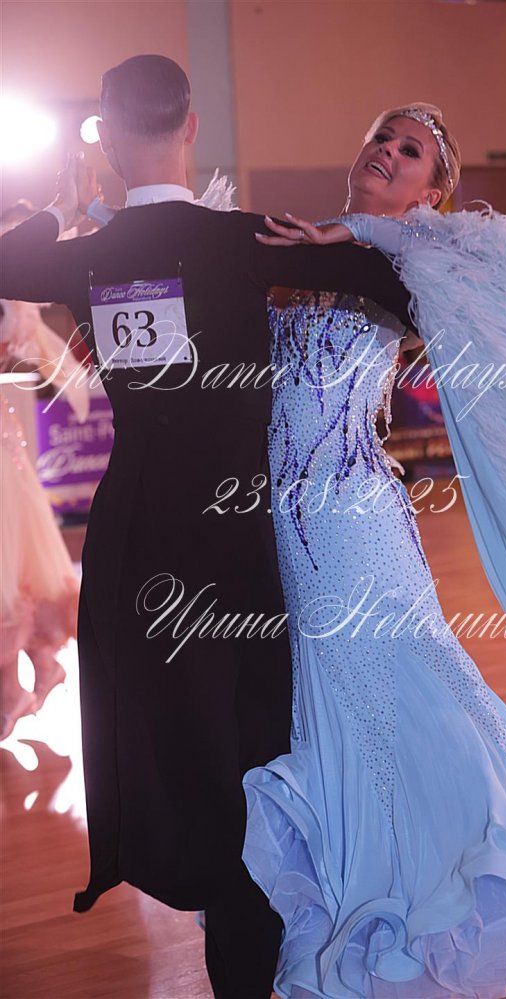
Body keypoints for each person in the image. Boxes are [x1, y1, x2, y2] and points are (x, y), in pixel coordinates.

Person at [0, 55, 413, 999]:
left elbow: (9, 256)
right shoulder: (244, 240)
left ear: (107, 138)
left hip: (135, 545)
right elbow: (398, 277)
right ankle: (245, 942)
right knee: (250, 747)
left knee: (171, 743)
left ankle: (202, 890)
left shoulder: (86, 254)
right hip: (236, 542)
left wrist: (58, 208)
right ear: (191, 128)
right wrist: (348, 229)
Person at [243, 105, 506, 997]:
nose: (386, 153)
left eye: (411, 152)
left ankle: (410, 896)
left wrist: (365, 228)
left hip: (347, 517)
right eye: (382, 137)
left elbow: (498, 262)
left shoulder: (414, 262)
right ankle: (377, 881)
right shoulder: (293, 246)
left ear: (432, 192)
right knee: (364, 701)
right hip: (288, 516)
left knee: (396, 700)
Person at [0, 203, 87, 741]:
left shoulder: (14, 298)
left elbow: (33, 350)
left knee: (12, 563)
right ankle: (33, 674)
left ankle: (20, 681)